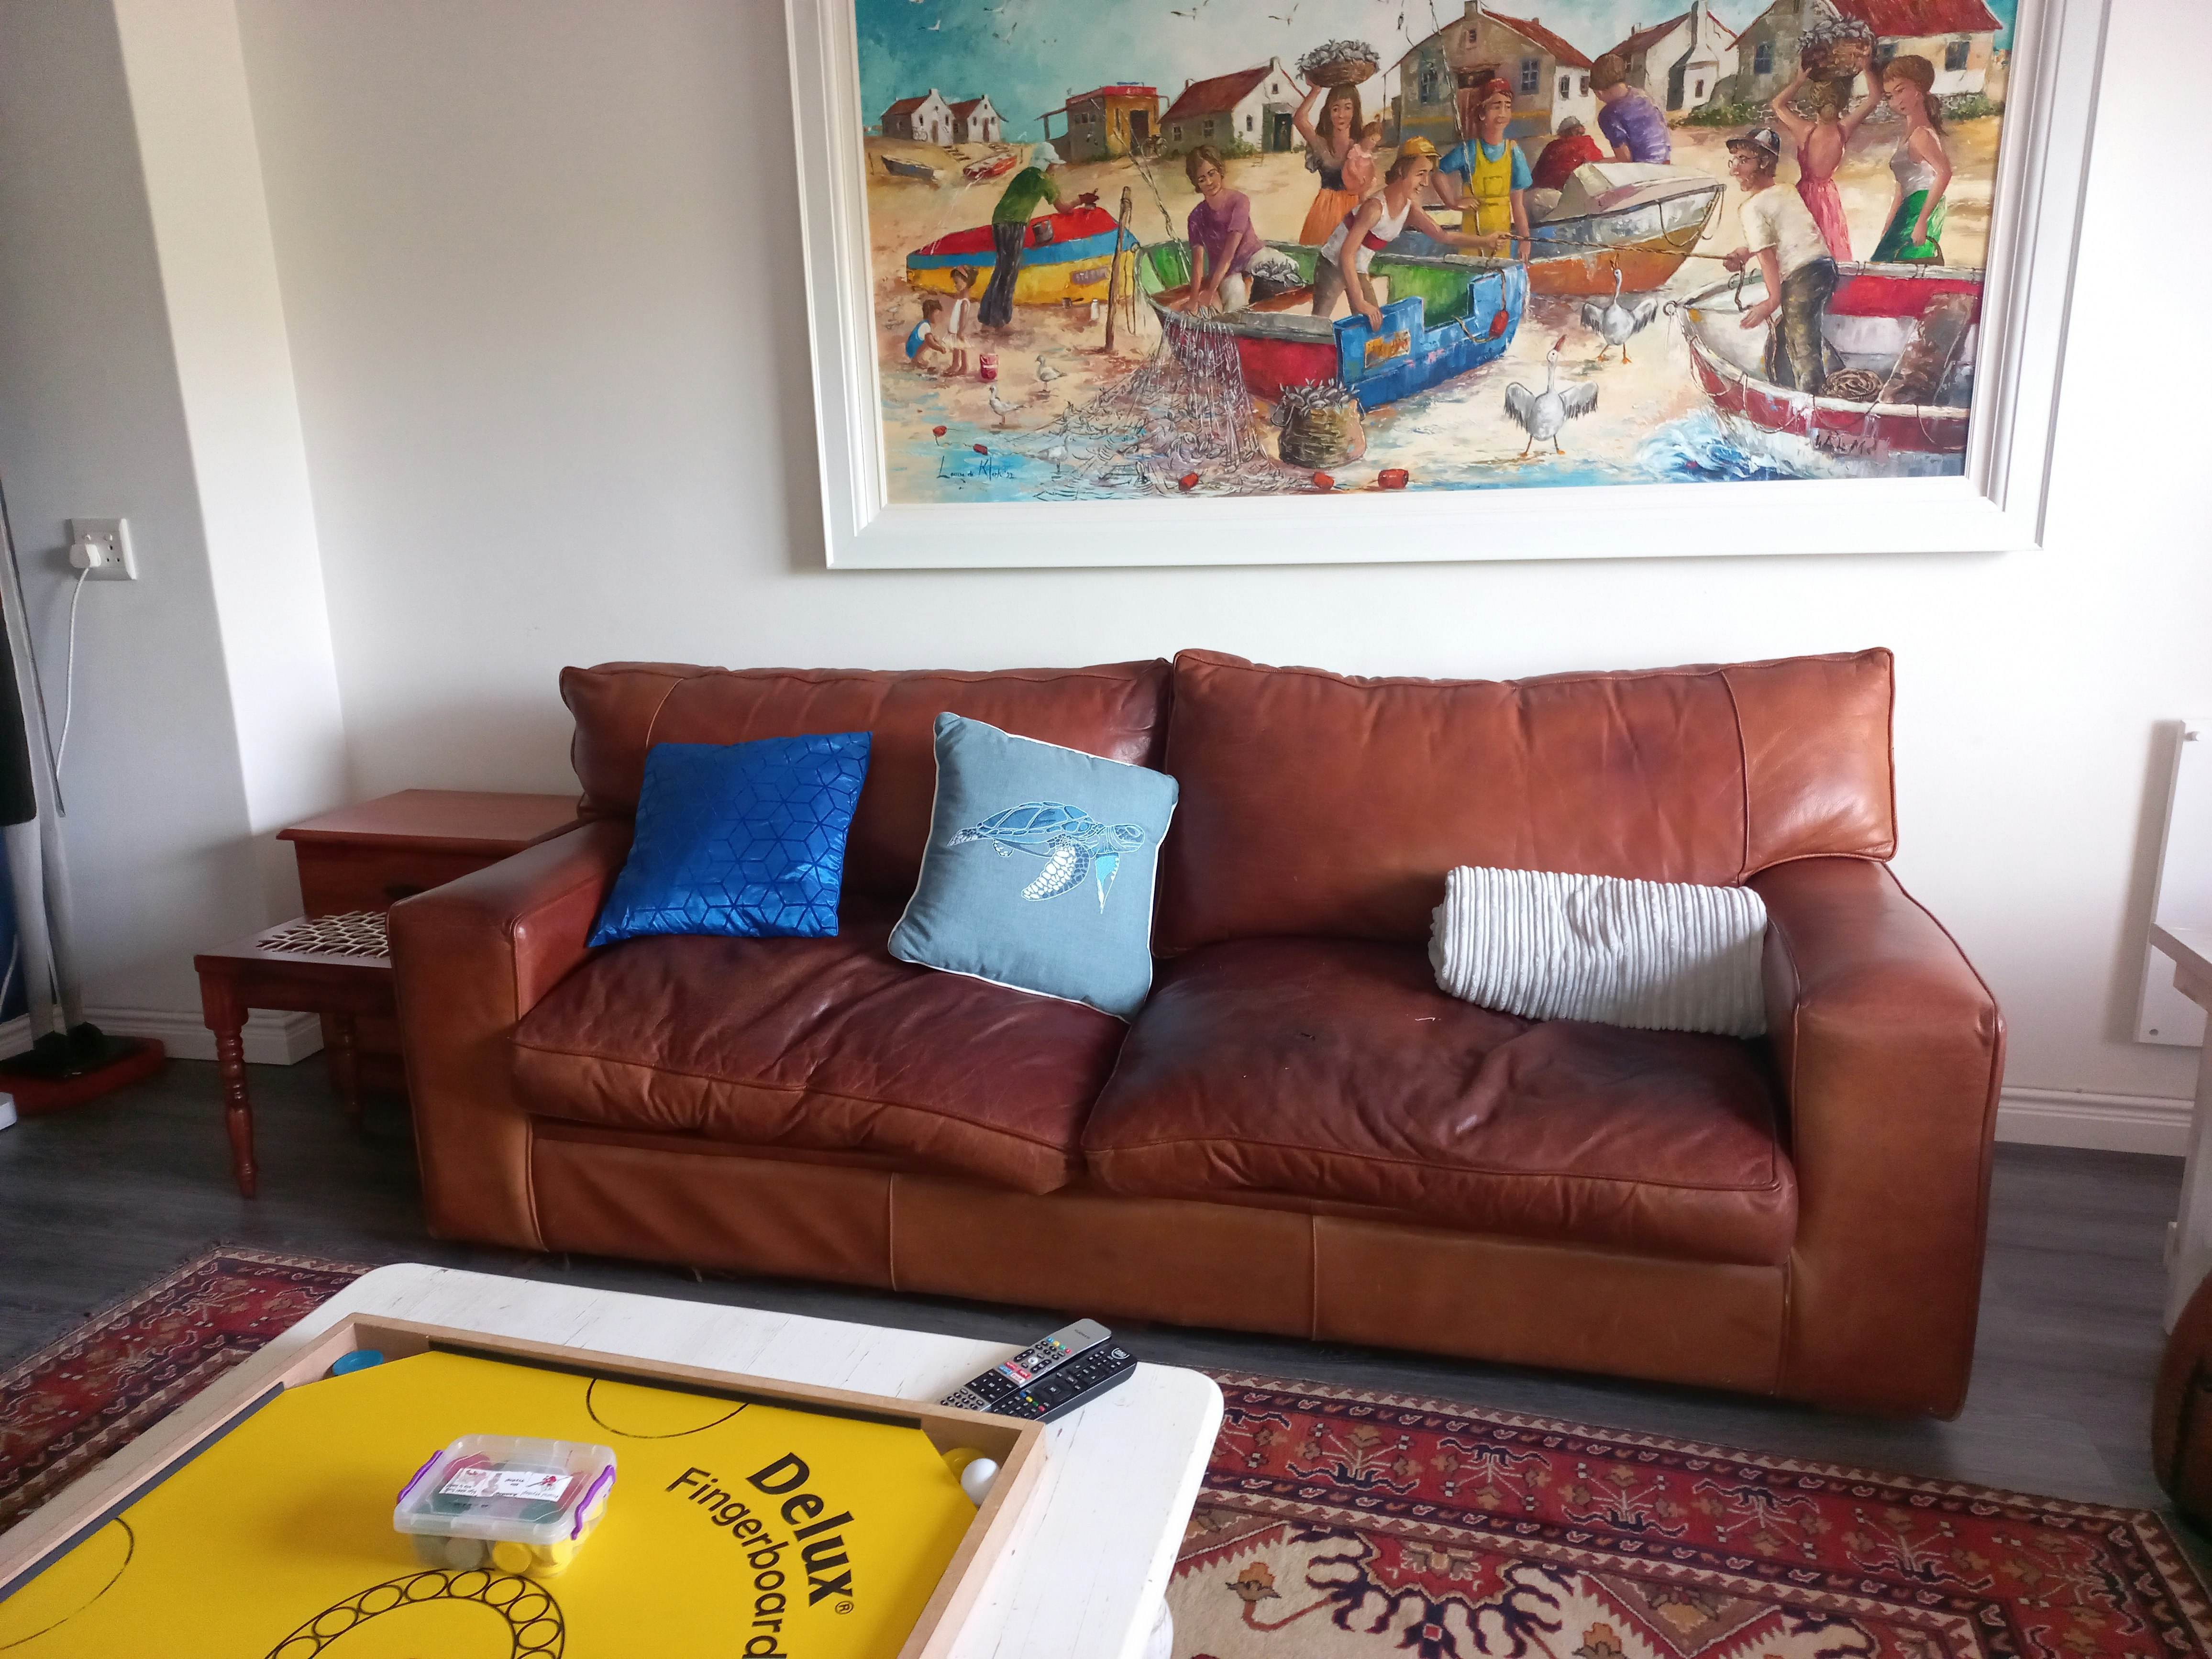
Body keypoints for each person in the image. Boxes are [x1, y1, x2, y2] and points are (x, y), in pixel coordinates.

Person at [1313, 138, 1490, 327]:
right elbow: (1346, 254)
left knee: (1374, 325)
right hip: (1333, 264)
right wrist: (1360, 302)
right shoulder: (1374, 209)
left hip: (1358, 268)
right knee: (1318, 323)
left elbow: (1442, 236)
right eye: (1420, 174)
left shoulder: (1410, 208)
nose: (1426, 183)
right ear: (1401, 171)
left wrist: (1486, 241)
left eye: (1429, 174)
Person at [1720, 124, 1838, 392]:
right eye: (1734, 160)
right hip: (1824, 269)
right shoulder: (1787, 191)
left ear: (1764, 162)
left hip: (1800, 279)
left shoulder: (1751, 208)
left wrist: (1772, 301)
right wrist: (1746, 251)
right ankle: (1812, 384)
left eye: (1743, 160)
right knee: (1794, 338)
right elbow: (1783, 235)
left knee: (1802, 348)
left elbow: (1768, 257)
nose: (1734, 170)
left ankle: (1814, 400)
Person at [1764, 65, 1879, 263]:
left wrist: (1798, 81)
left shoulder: (1805, 130)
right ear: (1841, 104)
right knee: (1831, 246)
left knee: (1803, 249)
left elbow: (1778, 105)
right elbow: (1874, 98)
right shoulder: (1843, 130)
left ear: (1814, 103)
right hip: (1828, 198)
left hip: (1805, 195)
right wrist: (1867, 68)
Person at [1431, 80, 1533, 258]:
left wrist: (1525, 239)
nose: (1503, 113)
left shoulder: (1514, 152)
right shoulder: (1469, 150)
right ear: (1482, 114)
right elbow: (1437, 172)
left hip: (1502, 239)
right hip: (1473, 237)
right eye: (1496, 107)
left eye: (1508, 107)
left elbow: (1518, 204)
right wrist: (1452, 202)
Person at [1871, 55, 1952, 262]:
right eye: (1890, 96)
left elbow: (1944, 173)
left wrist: (1923, 221)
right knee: (1884, 264)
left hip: (1922, 207)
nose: (1896, 101)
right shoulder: (1909, 135)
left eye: (1901, 91)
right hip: (1907, 209)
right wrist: (1888, 226)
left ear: (1919, 88)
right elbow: (1902, 187)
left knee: (1903, 265)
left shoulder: (1922, 135)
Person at [979, 146, 1063, 329]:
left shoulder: (1024, 174)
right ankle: (1000, 321)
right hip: (1015, 223)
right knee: (1010, 271)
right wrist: (1082, 200)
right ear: (1046, 164)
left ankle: (986, 319)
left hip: (999, 221)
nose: (1056, 168)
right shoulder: (1043, 179)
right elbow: (1063, 208)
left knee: (1001, 268)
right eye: (1054, 164)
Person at [1178, 146, 1261, 313]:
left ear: (1220, 170)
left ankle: (1254, 287)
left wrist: (1211, 290)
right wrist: (1194, 300)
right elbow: (1198, 262)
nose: (1209, 182)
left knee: (1283, 267)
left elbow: (1230, 252)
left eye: (1212, 174)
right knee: (1235, 302)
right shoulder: (1196, 217)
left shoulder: (1240, 201)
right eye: (1202, 179)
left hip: (1251, 256)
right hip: (1225, 272)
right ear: (1196, 184)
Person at [1294, 82, 1366, 245]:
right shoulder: (1321, 144)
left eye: (1348, 108)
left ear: (1355, 111)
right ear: (1328, 112)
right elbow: (1299, 119)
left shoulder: (1360, 145)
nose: (1341, 115)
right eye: (1336, 109)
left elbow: (1365, 184)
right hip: (1324, 210)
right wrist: (1316, 90)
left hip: (1352, 209)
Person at [1591, 52, 1670, 164]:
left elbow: (1625, 159)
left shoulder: (1608, 114)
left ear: (1599, 92)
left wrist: (1597, 162)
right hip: (1664, 163)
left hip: (1643, 169)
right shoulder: (1643, 96)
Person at [1531, 115, 1605, 192]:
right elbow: (1599, 164)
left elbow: (1536, 173)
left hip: (1542, 190)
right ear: (1577, 130)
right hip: (1570, 192)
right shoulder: (1586, 142)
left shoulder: (1552, 145)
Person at [940, 265, 978, 375]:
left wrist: (961, 331)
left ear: (966, 282)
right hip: (954, 330)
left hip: (958, 331)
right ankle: (956, 365)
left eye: (957, 283)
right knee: (956, 348)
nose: (955, 286)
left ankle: (963, 367)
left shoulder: (965, 302)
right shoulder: (960, 300)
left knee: (961, 348)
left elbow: (963, 318)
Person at [905, 296, 951, 368]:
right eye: (936, 315)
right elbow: (930, 342)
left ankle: (920, 359)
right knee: (929, 340)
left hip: (913, 347)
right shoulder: (925, 326)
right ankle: (917, 359)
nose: (938, 317)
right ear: (930, 314)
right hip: (913, 349)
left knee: (933, 338)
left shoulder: (924, 324)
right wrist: (940, 348)